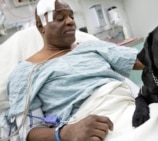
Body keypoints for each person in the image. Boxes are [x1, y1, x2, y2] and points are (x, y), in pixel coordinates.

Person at [5, 0, 144, 141]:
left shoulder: (92, 46)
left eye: (72, 16)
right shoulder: (25, 73)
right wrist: (65, 133)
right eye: (60, 18)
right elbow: (28, 132)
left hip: (134, 106)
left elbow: (142, 61)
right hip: (94, 124)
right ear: (41, 26)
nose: (70, 21)